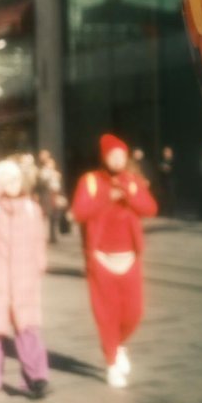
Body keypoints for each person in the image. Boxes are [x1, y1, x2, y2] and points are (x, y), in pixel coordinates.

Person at [71, 134, 157, 388]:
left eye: (122, 155)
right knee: (106, 315)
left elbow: (150, 209)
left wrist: (129, 195)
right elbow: (78, 212)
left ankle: (118, 345)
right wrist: (106, 197)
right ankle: (111, 363)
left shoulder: (133, 181)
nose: (118, 159)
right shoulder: (90, 181)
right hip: (101, 258)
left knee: (134, 312)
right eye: (113, 155)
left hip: (130, 257)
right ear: (104, 157)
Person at [0, 160, 50, 398]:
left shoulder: (31, 208)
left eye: (14, 179)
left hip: (24, 277)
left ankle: (37, 377)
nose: (11, 184)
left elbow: (38, 240)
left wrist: (39, 265)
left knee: (27, 328)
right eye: (6, 180)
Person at [36, 150, 66, 244]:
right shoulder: (42, 173)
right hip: (46, 196)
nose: (51, 166)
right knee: (47, 217)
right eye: (49, 164)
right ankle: (45, 237)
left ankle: (53, 236)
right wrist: (48, 178)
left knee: (54, 216)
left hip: (55, 195)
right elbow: (40, 186)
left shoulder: (57, 174)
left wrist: (62, 196)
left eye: (52, 164)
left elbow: (60, 186)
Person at [156, 146, 176, 218]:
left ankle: (171, 212)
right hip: (163, 180)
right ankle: (162, 211)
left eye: (168, 152)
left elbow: (175, 169)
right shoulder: (162, 160)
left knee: (171, 196)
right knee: (162, 196)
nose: (166, 153)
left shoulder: (173, 161)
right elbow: (159, 169)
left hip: (171, 180)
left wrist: (168, 169)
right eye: (165, 152)